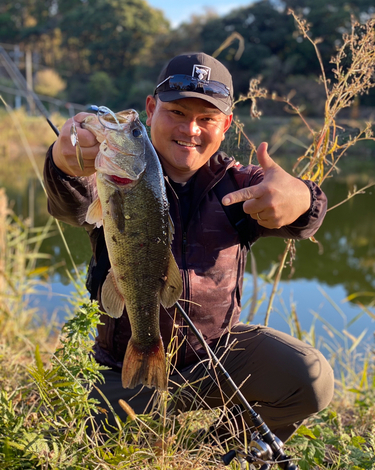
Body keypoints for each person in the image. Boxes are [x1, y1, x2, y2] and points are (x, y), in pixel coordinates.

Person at [44, 52, 334, 444]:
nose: (191, 129)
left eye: (206, 118)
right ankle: (139, 409)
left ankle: (216, 449)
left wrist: (300, 198)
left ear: (226, 124)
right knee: (74, 435)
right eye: (178, 112)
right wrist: (63, 163)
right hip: (122, 366)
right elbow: (72, 199)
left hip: (217, 359)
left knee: (310, 378)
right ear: (151, 109)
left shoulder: (240, 186)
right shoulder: (110, 175)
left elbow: (306, 215)